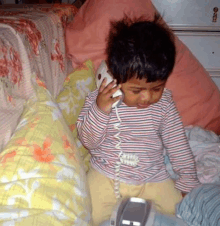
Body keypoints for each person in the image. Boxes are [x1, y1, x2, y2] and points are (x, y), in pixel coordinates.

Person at [77, 14, 200, 226]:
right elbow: (88, 140)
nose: (147, 97)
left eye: (157, 88)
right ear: (113, 76)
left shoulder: (164, 105)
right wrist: (100, 110)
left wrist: (188, 181)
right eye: (136, 90)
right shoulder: (99, 100)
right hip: (107, 175)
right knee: (88, 215)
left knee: (180, 213)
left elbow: (177, 143)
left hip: (153, 177)